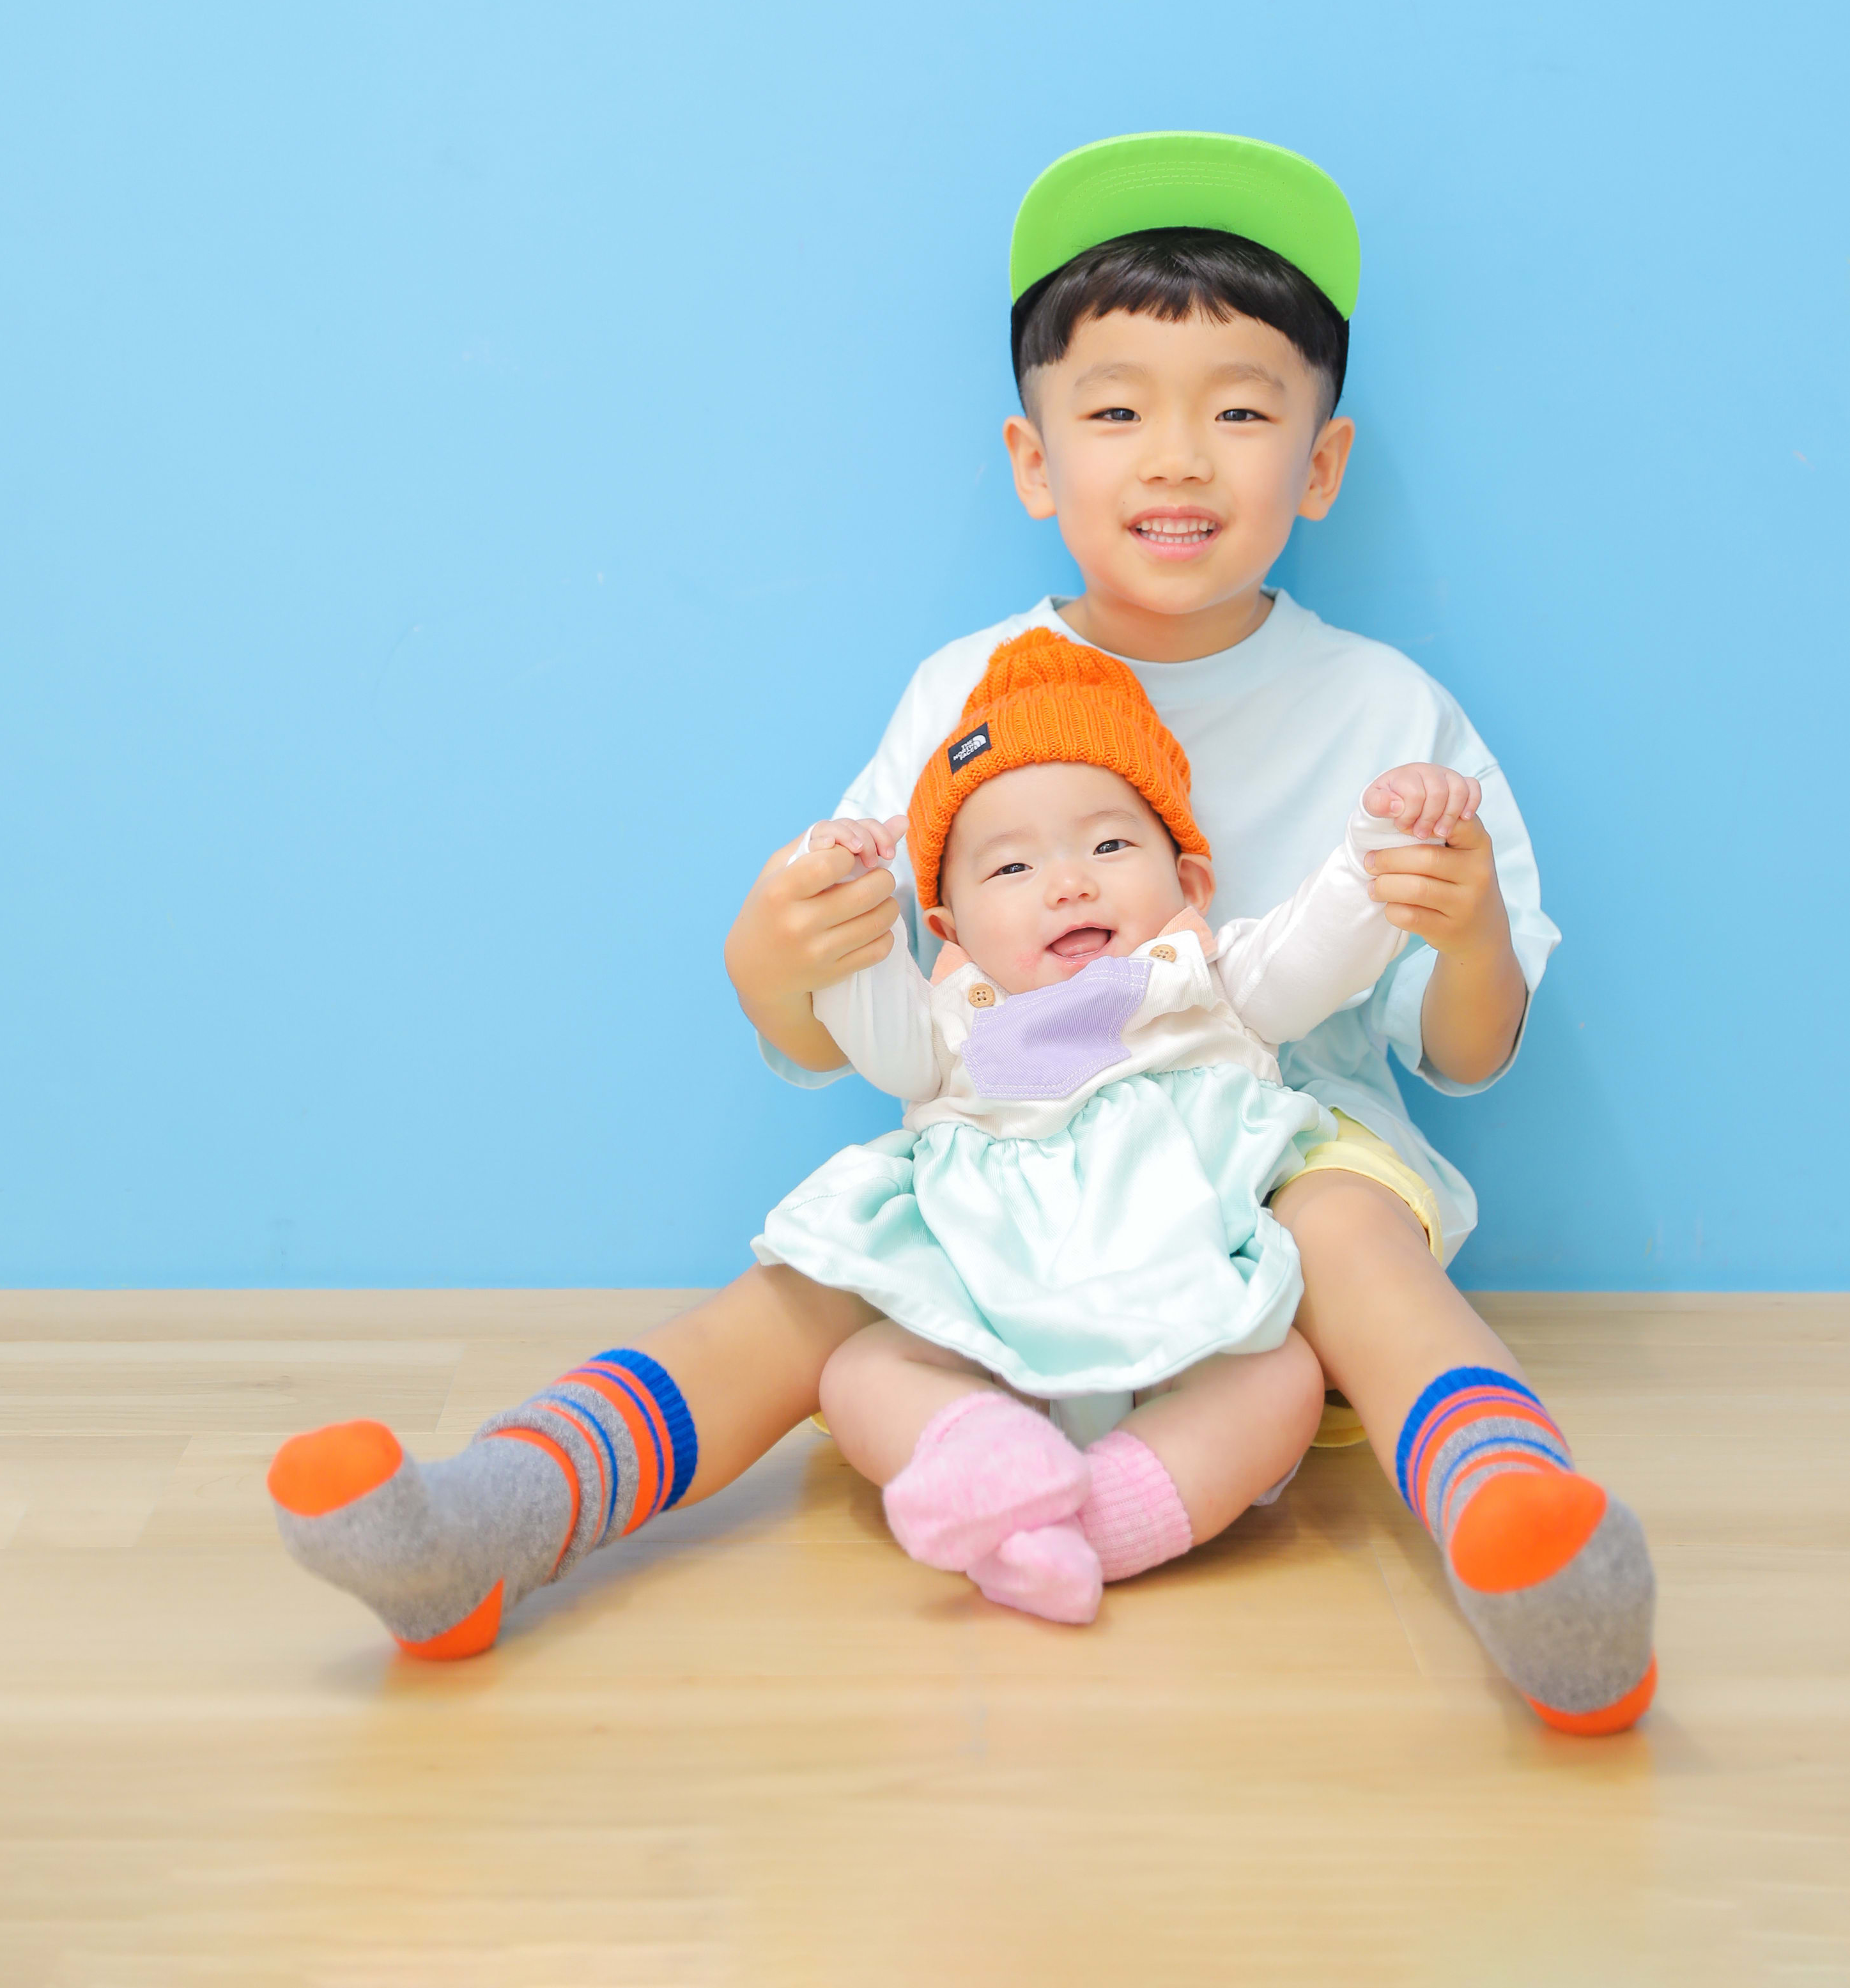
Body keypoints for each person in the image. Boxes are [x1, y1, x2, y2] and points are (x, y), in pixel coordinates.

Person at [267, 131, 1656, 1734]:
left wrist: (1464, 929)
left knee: (1351, 1228)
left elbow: (1469, 1055)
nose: (1177, 458)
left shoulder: (1383, 711)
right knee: (810, 1294)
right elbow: (847, 1022)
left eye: (1240, 409)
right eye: (1116, 410)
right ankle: (495, 1518)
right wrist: (773, 957)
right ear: (1032, 459)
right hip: (1015, 1145)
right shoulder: (963, 695)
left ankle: (1523, 1537)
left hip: (1277, 1151)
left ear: (1321, 463)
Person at [759, 624, 1486, 1631]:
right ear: (951, 931)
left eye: (1108, 846)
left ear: (1189, 884)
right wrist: (846, 904)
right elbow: (871, 1027)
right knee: (857, 1373)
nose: (1068, 881)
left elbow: (1322, 941)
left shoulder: (1205, 984)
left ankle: (1097, 1522)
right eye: (1011, 868)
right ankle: (991, 1461)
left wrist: (1378, 845)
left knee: (1282, 1378)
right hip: (994, 1327)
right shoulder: (954, 1027)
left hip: (1191, 1323)